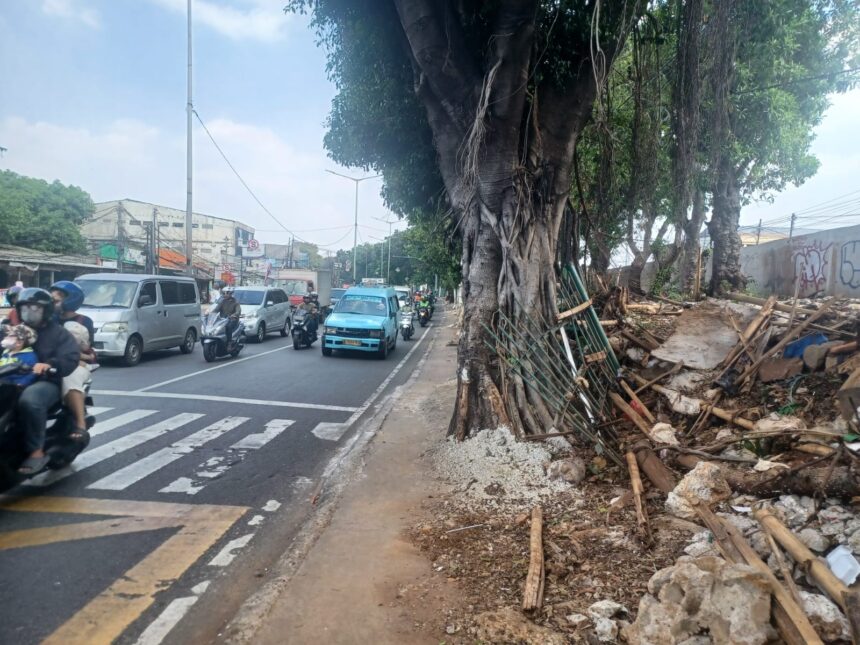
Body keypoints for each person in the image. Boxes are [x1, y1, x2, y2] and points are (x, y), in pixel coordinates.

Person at [14, 288, 80, 474]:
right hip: (12, 379)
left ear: (46, 310)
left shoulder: (58, 333)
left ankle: (36, 452)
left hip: (45, 381)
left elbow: (71, 358)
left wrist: (49, 364)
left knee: (30, 400)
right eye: (25, 308)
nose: (29, 312)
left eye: (35, 308)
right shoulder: (12, 330)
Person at [51, 281, 97, 442]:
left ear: (71, 299)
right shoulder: (48, 318)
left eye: (59, 296)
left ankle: (80, 424)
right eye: (53, 294)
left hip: (76, 363)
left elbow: (87, 350)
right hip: (49, 361)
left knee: (70, 379)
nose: (54, 298)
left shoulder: (84, 321)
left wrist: (77, 357)